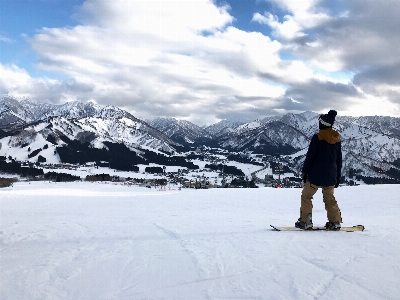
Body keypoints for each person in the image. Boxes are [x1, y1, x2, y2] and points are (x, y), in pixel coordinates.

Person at [295, 110, 343, 230]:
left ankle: (305, 221)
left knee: (306, 196)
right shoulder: (336, 139)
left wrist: (305, 172)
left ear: (322, 124)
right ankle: (335, 222)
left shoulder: (317, 137)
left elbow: (310, 157)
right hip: (330, 175)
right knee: (329, 199)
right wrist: (337, 177)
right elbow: (339, 161)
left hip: (315, 175)